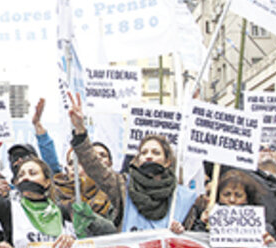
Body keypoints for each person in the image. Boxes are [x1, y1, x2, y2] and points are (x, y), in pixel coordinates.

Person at [67, 94, 195, 232]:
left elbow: (192, 239)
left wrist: (181, 231)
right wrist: (80, 130)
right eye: (144, 153)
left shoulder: (181, 197)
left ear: (167, 161)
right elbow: (95, 166)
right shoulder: (123, 186)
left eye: (156, 153)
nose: (149, 157)